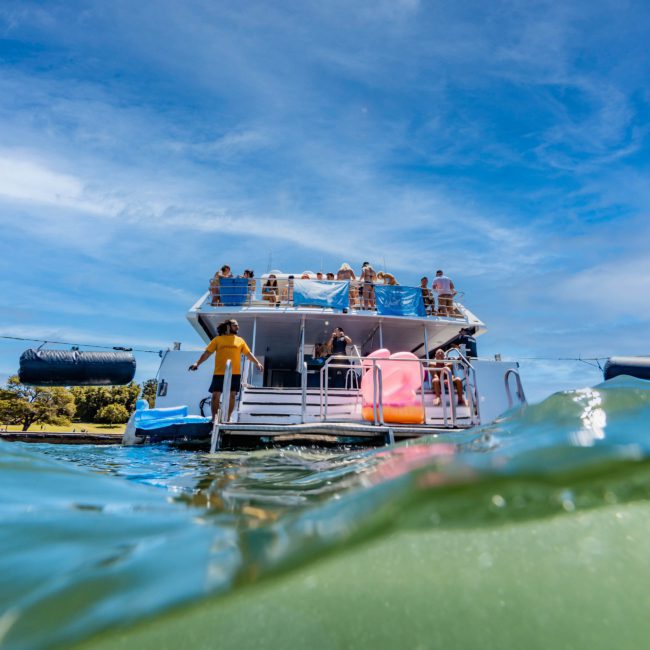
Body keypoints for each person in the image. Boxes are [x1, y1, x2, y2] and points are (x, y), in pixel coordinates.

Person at [189, 319, 263, 421]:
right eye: (235, 325)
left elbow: (248, 354)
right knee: (215, 395)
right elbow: (207, 353)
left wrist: (257, 363)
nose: (238, 327)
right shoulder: (217, 340)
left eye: (237, 325)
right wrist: (197, 363)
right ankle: (215, 419)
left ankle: (228, 418)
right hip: (219, 373)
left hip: (235, 373)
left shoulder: (240, 340)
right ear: (228, 326)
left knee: (232, 395)